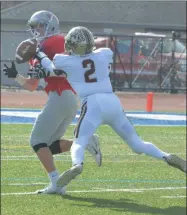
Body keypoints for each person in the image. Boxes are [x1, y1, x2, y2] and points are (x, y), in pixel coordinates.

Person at [6, 26, 186, 193]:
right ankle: (166, 156)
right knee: (137, 144)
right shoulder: (104, 54)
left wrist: (39, 53)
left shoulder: (64, 60)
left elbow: (52, 68)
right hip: (112, 102)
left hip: (92, 104)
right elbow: (76, 67)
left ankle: (77, 164)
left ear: (70, 45)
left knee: (79, 142)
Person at [3, 14, 102, 195]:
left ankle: (56, 183)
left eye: (39, 26)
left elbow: (69, 70)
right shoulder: (39, 49)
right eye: (34, 26)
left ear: (50, 26)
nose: (36, 30)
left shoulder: (56, 42)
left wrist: (48, 69)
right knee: (47, 145)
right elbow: (32, 86)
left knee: (36, 141)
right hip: (65, 99)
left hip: (61, 96)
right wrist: (15, 76)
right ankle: (85, 142)